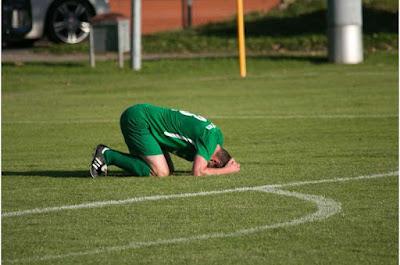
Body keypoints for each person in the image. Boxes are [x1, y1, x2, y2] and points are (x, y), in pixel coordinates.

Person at [90, 103, 240, 177]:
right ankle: (107, 154)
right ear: (214, 162)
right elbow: (198, 172)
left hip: (147, 123)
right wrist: (227, 170)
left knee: (168, 169)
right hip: (140, 121)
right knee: (160, 172)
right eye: (211, 166)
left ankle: (120, 160)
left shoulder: (217, 137)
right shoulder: (210, 141)